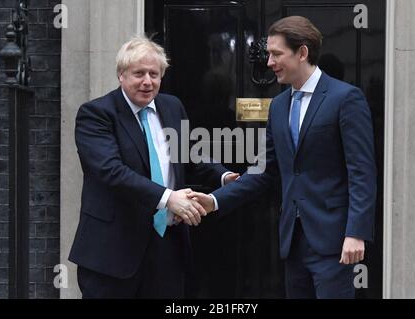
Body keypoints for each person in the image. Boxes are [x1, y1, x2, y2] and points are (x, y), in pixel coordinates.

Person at [189, 16, 377, 299]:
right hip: (293, 242)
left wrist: (356, 232)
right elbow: (264, 171)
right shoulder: (278, 106)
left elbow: (362, 171)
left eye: (276, 54)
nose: (269, 63)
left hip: (335, 242)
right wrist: (215, 200)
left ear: (302, 53)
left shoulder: (346, 98)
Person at [69, 36, 238, 298]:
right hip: (113, 251)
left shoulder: (172, 106)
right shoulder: (96, 114)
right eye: (139, 73)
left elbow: (188, 153)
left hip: (167, 247)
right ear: (121, 75)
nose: (147, 81)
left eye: (154, 74)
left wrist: (225, 176)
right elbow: (110, 171)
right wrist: (169, 198)